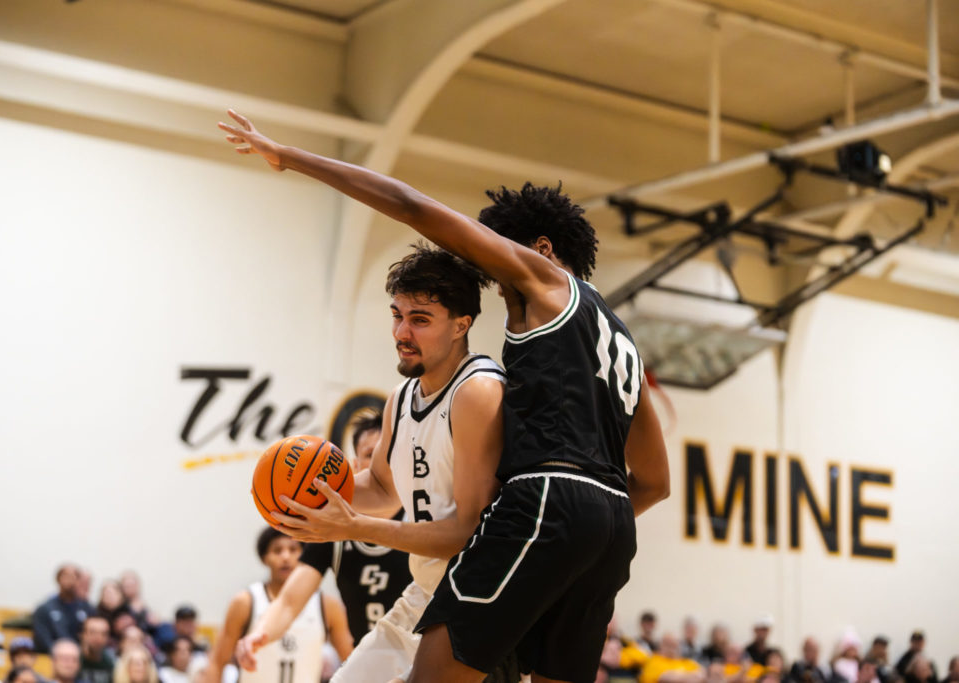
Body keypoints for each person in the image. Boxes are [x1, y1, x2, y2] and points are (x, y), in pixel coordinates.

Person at [219, 109, 671, 683]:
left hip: (547, 501)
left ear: (541, 247)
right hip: (611, 526)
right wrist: (578, 536)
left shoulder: (544, 285)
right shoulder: (621, 341)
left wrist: (292, 157)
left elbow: (410, 204)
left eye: (496, 248)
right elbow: (655, 482)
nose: (488, 263)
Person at [237, 245, 508, 683]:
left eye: (420, 319)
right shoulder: (401, 398)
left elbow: (468, 533)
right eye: (397, 315)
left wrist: (354, 527)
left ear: (462, 325)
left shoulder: (477, 392)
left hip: (477, 599)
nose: (402, 331)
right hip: (426, 593)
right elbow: (382, 490)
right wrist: (305, 500)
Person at [233, 409, 411, 652]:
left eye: (388, 453)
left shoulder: (422, 515)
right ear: (355, 466)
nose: (382, 463)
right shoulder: (332, 528)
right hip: (371, 658)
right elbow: (289, 601)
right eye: (371, 455)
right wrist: (260, 633)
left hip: (423, 658)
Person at [203, 528, 352, 683]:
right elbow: (216, 662)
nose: (286, 557)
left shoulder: (327, 606)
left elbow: (351, 660)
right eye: (277, 550)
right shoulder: (245, 601)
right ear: (264, 558)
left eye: (293, 549)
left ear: (305, 557)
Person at [33, 565, 94, 653]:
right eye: (66, 576)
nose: (70, 581)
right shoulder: (44, 609)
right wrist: (61, 653)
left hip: (80, 657)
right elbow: (43, 639)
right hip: (54, 656)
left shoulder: (87, 609)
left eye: (74, 577)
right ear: (58, 579)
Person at [79, 615, 116, 683]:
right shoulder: (74, 660)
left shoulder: (112, 663)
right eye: (93, 633)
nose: (98, 639)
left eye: (104, 634)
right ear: (82, 635)